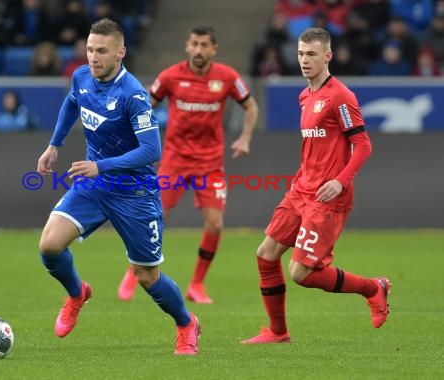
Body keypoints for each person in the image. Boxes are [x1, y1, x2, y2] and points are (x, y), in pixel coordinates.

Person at [36, 18, 201, 355]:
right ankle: (76, 293)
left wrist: (100, 165)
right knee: (50, 245)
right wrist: (55, 144)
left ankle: (186, 324)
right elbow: (72, 101)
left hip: (134, 193)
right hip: (94, 186)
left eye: (101, 51)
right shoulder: (82, 76)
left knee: (146, 276)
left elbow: (152, 151)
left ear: (120, 53)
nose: (93, 58)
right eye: (90, 50)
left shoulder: (134, 96)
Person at [241, 27, 390, 345]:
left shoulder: (341, 96)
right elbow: (316, 145)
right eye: (300, 53)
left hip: (328, 196)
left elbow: (363, 145)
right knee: (266, 254)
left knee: (301, 274)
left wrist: (340, 181)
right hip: (302, 189)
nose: (304, 60)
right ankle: (278, 333)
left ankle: (372, 288)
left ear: (328, 56)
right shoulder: (304, 96)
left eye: (311, 54)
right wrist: (302, 174)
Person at [117, 26, 259, 304]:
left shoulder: (227, 77)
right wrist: (143, 144)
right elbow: (144, 108)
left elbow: (251, 106)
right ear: (187, 46)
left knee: (216, 225)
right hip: (174, 160)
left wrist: (245, 138)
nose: (198, 50)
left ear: (213, 49)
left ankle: (196, 284)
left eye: (204, 45)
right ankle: (132, 271)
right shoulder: (170, 76)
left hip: (209, 163)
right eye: (194, 43)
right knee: (156, 219)